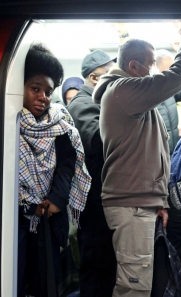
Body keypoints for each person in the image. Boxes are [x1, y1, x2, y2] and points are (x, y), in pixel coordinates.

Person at [92, 22, 181, 297]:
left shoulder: (133, 100)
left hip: (141, 203)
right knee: (133, 287)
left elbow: (152, 155)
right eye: (151, 65)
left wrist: (160, 201)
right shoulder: (123, 91)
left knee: (141, 280)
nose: (153, 72)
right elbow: (180, 75)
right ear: (133, 67)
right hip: (132, 205)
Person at [18, 43, 91, 297]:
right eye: (35, 89)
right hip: (16, 220)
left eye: (48, 91)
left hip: (48, 216)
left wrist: (57, 199)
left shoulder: (58, 122)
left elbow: (67, 163)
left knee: (45, 281)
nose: (43, 97)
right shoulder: (9, 124)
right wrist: (25, 206)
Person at [67, 49, 116, 297]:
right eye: (111, 76)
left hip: (104, 199)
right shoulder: (82, 104)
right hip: (95, 203)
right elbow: (98, 141)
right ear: (95, 78)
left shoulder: (97, 102)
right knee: (97, 270)